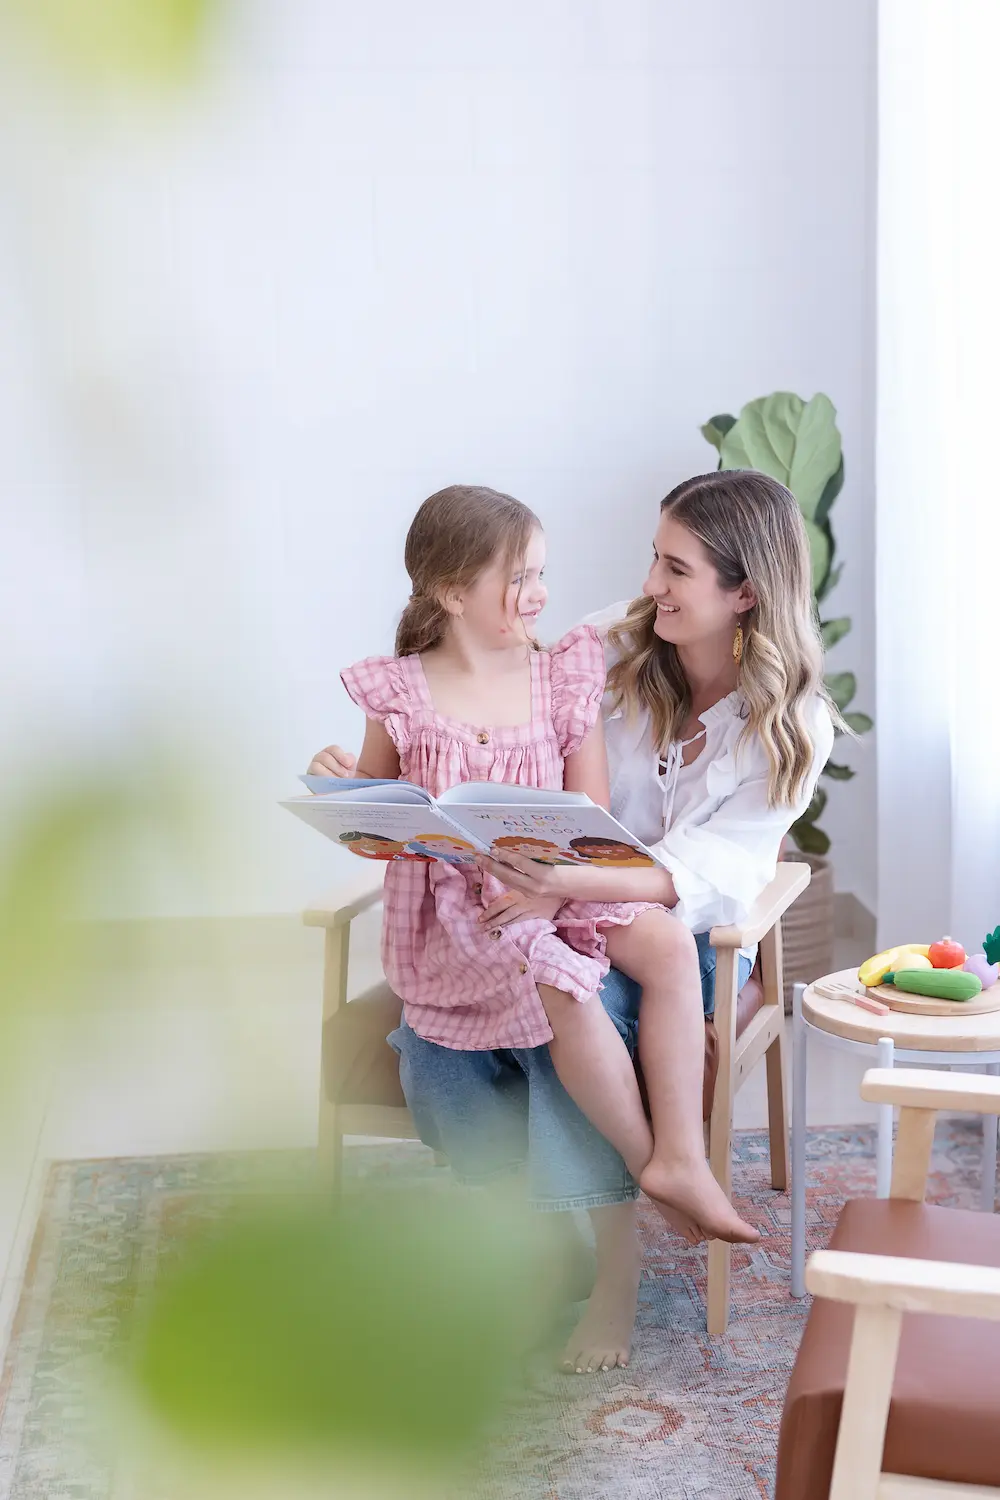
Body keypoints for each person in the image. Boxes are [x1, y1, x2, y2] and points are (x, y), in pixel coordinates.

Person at [309, 471, 836, 1373]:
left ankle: (622, 1254)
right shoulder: (605, 647)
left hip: (679, 930)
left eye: (676, 568)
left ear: (744, 592)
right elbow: (495, 736)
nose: (651, 585)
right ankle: (566, 1233)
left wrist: (562, 892)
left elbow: (720, 872)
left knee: (573, 995)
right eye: (654, 558)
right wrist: (372, 797)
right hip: (542, 898)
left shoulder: (794, 723)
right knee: (509, 1005)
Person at [337, 484, 756, 1253]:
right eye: (521, 577)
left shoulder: (561, 675)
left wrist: (550, 887)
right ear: (452, 591)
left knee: (664, 942)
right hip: (470, 910)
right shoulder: (396, 691)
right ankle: (644, 1163)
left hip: (563, 882)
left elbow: (586, 818)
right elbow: (376, 833)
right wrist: (347, 796)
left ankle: (681, 1162)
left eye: (541, 573)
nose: (543, 595)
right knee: (563, 982)